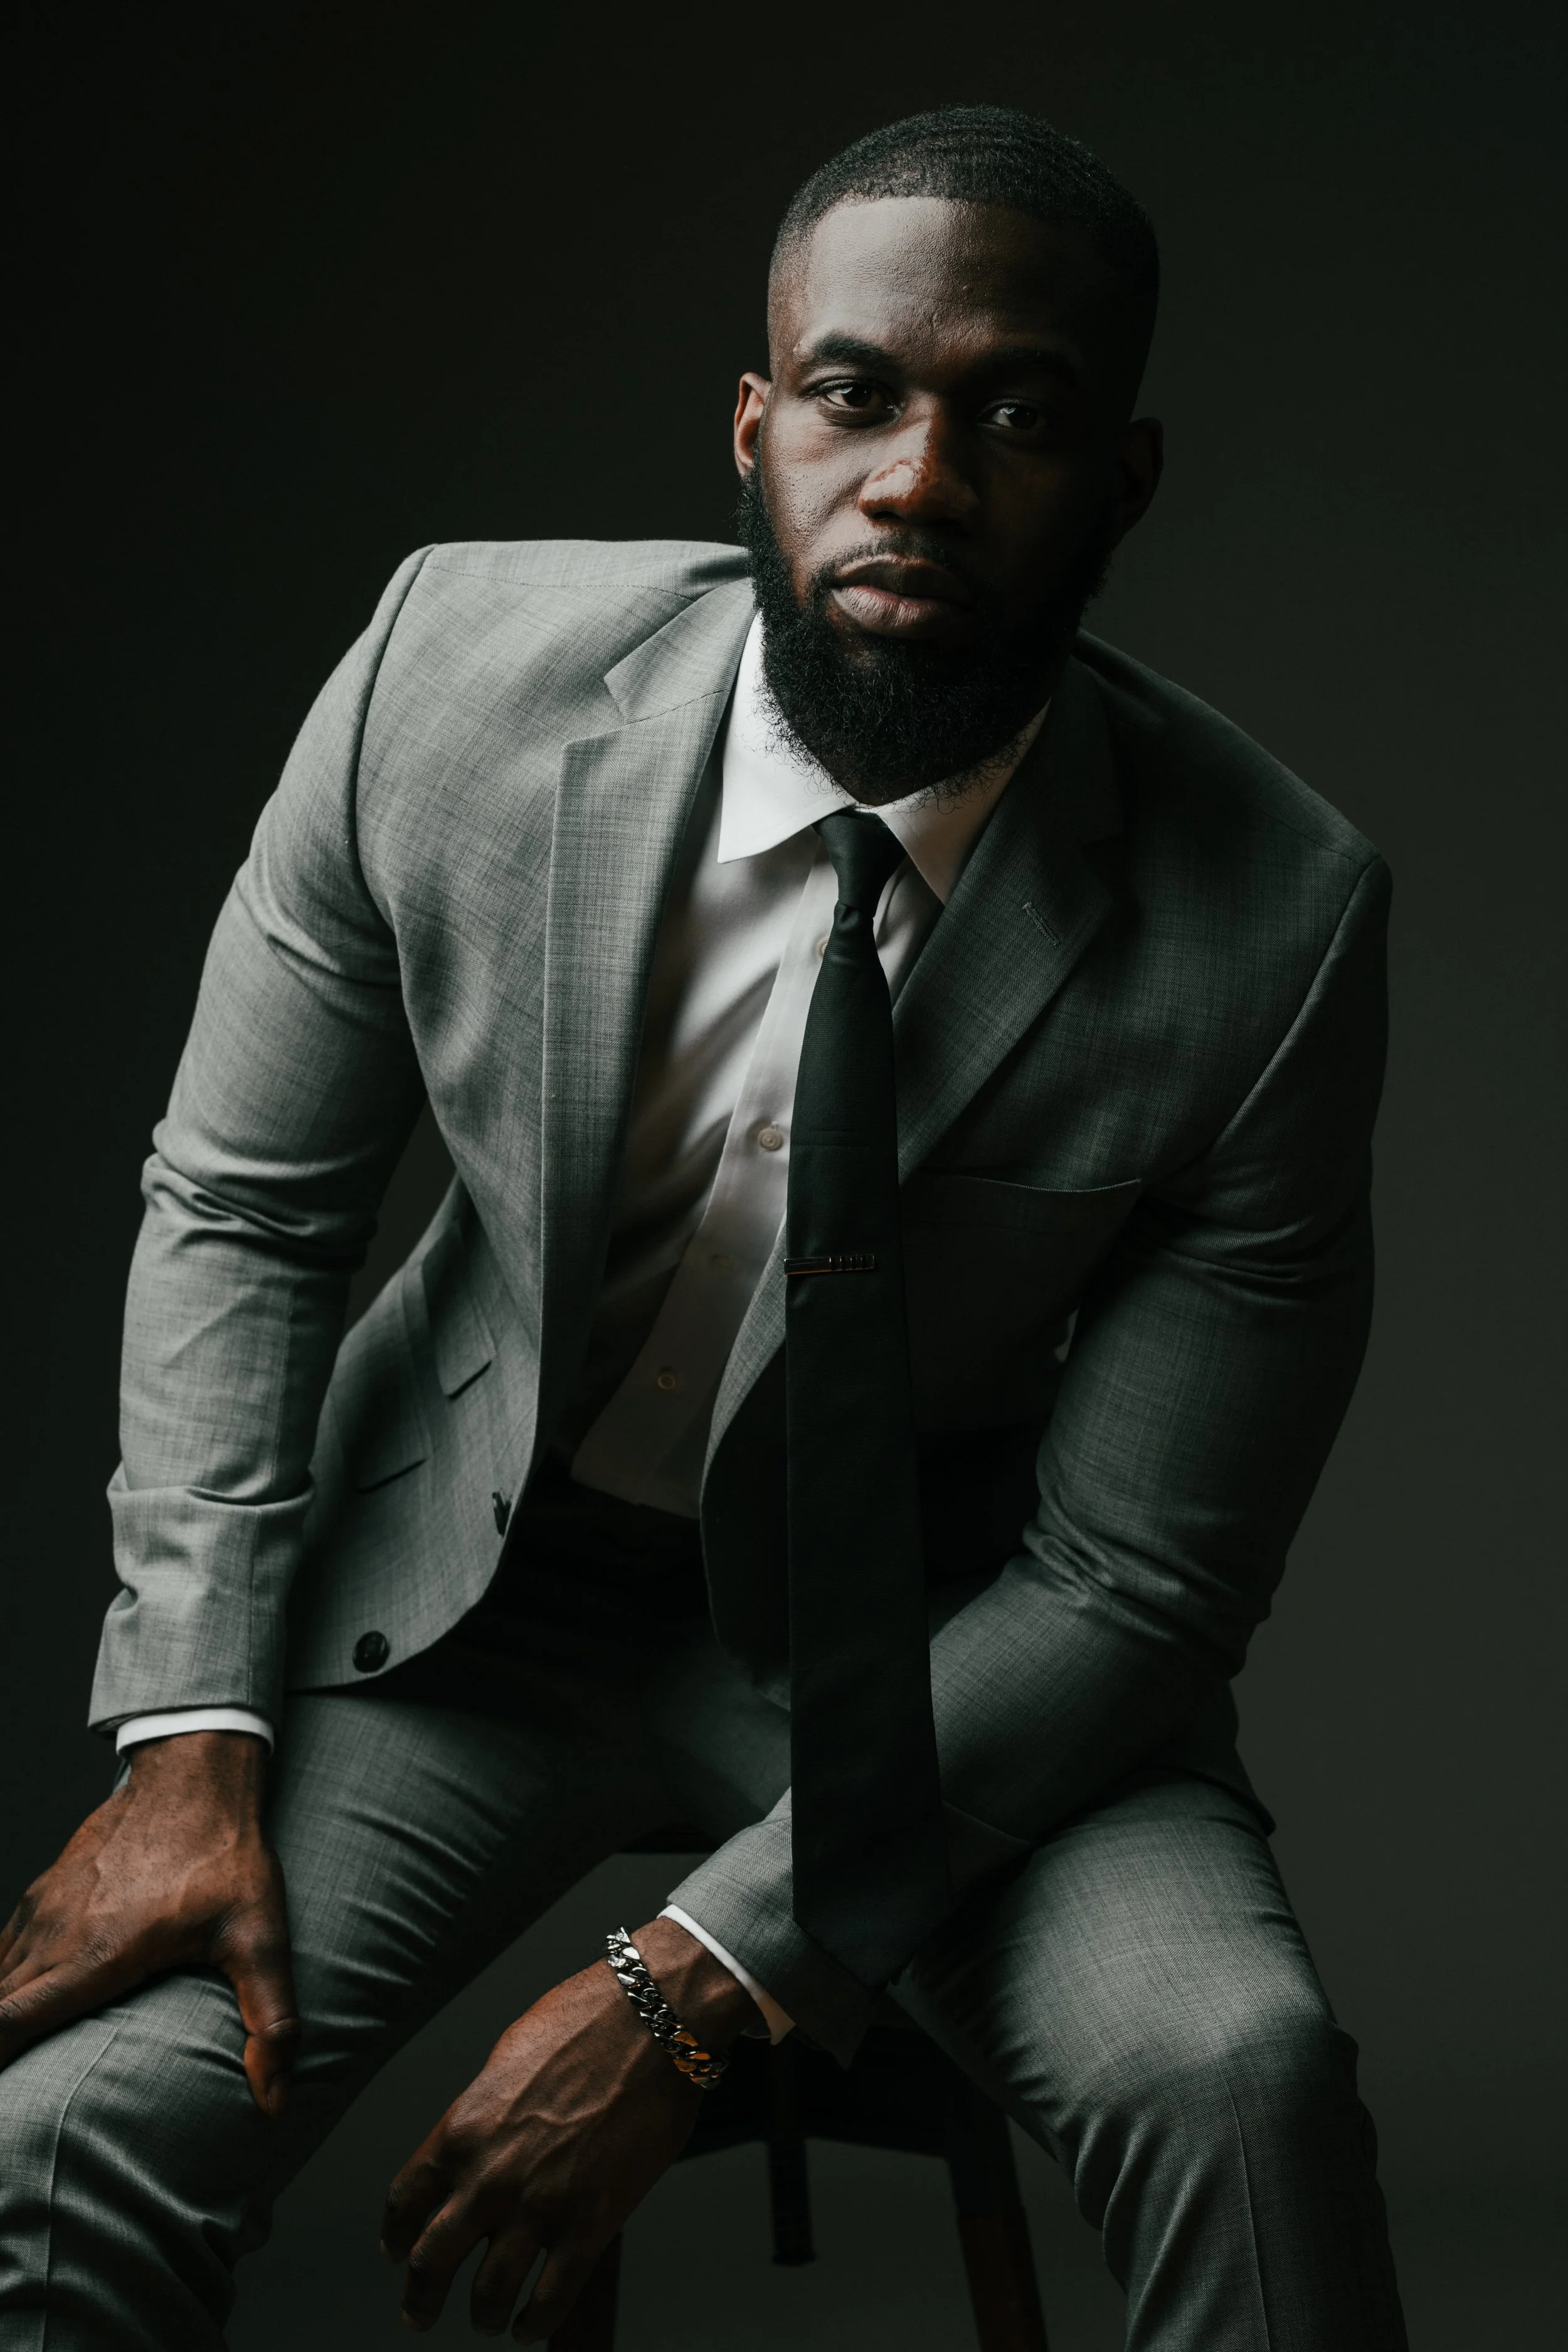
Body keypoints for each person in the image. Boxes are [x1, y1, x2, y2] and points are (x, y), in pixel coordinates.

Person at [0, 106, 1408, 2349]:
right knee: (60, 2142)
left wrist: (700, 1979)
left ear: (1119, 480)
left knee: (1235, 2079)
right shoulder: (444, 679)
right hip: (463, 1604)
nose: (922, 481)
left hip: (932, 1641)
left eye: (1016, 416)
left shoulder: (1269, 925)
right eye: (856, 395)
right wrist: (188, 1739)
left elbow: (1139, 1573)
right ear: (755, 425)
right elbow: (247, 1213)